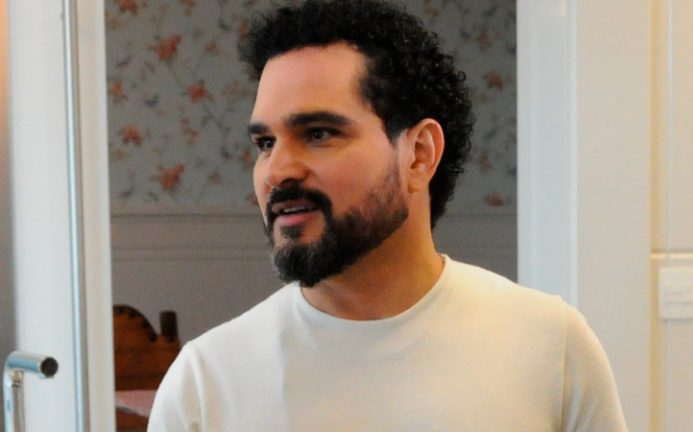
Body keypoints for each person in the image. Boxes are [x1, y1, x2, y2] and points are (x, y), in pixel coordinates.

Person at [148, 0, 628, 430]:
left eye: (318, 133)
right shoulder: (205, 384)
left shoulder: (552, 347)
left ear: (419, 154)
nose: (277, 170)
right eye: (265, 143)